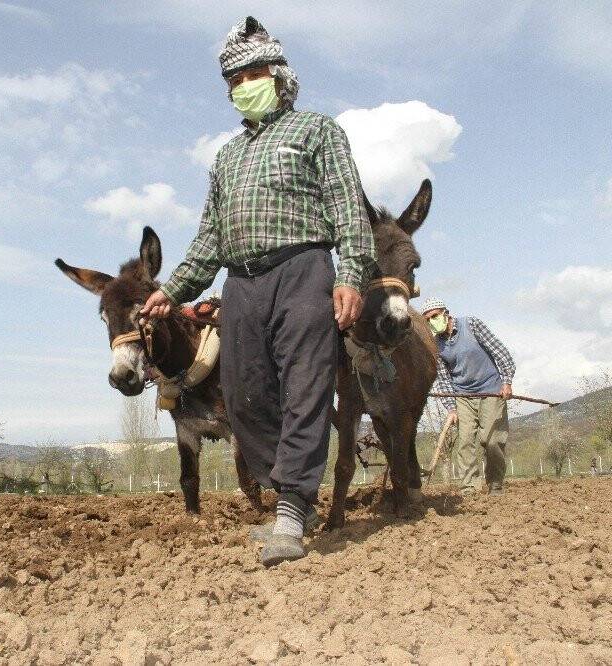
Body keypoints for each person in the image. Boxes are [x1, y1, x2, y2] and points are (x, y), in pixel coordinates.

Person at [139, 16, 375, 566]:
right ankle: (293, 495)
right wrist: (173, 289)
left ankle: (291, 508)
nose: (243, 85)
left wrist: (350, 274)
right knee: (243, 396)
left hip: (302, 270)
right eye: (233, 80)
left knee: (304, 387)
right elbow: (209, 238)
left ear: (279, 75)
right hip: (241, 284)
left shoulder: (317, 131)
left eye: (253, 74)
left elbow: (348, 209)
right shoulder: (226, 157)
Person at [421, 297, 516, 495]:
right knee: (465, 443)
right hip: (462, 396)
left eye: (434, 316)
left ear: (446, 313)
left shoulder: (471, 325)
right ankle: (469, 488)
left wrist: (506, 382)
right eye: (427, 320)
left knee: (491, 441)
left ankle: (495, 483)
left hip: (491, 390)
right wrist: (451, 408)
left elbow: (501, 353)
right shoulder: (436, 345)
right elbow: (444, 379)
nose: (431, 321)